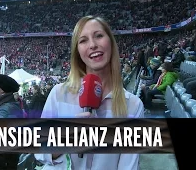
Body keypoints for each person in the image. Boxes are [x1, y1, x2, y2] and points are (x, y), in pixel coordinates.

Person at [35, 16, 144, 169]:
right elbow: (40, 151)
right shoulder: (58, 94)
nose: (93, 45)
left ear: (111, 42)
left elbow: (129, 166)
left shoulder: (132, 105)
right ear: (77, 51)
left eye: (98, 36)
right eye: (83, 40)